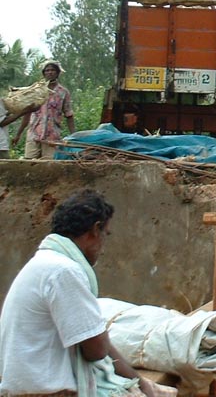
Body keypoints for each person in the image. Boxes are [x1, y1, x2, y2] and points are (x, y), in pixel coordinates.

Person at [0, 189, 156, 397]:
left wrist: (141, 382)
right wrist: (141, 384)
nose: (103, 247)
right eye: (106, 234)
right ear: (95, 230)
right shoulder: (63, 271)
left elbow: (94, 339)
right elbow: (96, 350)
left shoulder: (46, 263)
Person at [13, 60, 76, 159]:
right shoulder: (35, 91)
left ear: (57, 73)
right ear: (44, 73)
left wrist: (74, 136)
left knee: (48, 164)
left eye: (53, 70)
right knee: (29, 163)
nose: (50, 72)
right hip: (34, 135)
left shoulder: (63, 92)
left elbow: (69, 115)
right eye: (47, 70)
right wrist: (18, 134)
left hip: (52, 137)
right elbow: (27, 114)